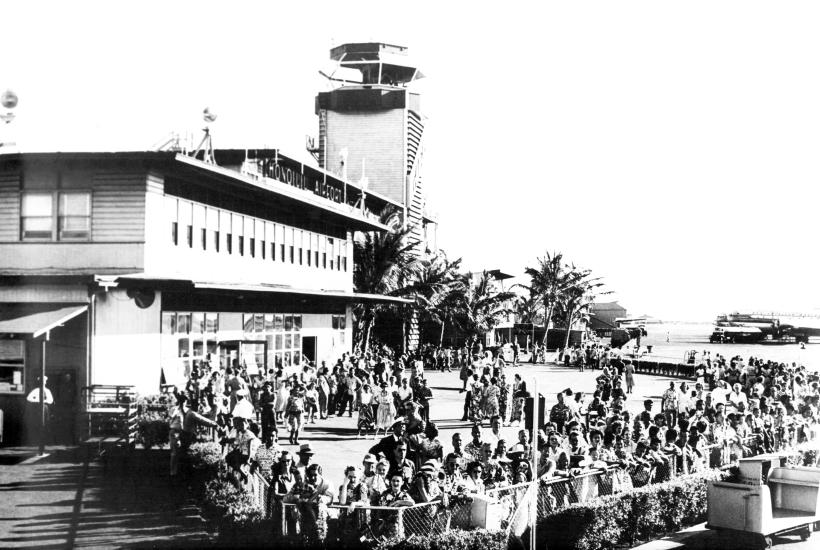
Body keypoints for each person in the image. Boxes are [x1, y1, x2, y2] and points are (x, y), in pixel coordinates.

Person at [26, 376, 54, 447]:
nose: (43, 383)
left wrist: (44, 401)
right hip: (37, 408)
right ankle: (36, 441)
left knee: (46, 423)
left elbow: (50, 400)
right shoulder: (36, 390)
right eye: (42, 381)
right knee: (37, 422)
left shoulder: (47, 391)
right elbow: (29, 398)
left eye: (44, 382)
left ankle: (44, 441)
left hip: (45, 407)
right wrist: (38, 400)